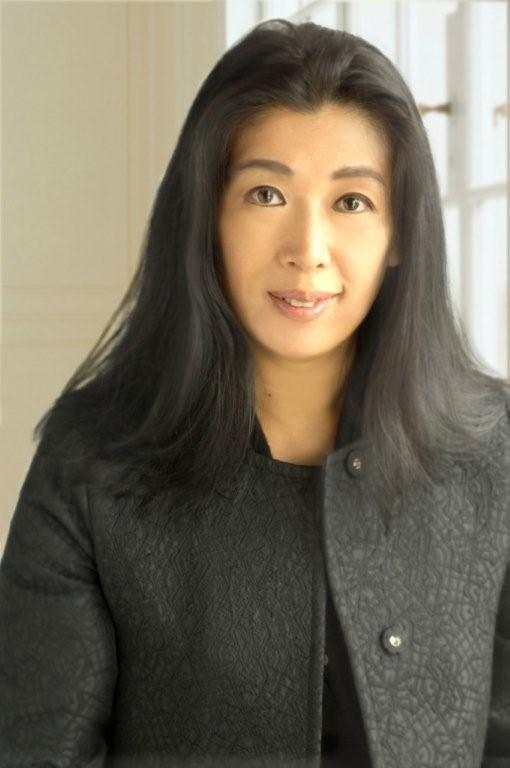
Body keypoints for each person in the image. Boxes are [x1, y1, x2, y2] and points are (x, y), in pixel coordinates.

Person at [0, 16, 509, 768]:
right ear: (208, 216)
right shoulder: (92, 462)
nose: (307, 250)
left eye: (351, 202)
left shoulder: (495, 448)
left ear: (401, 232)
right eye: (267, 194)